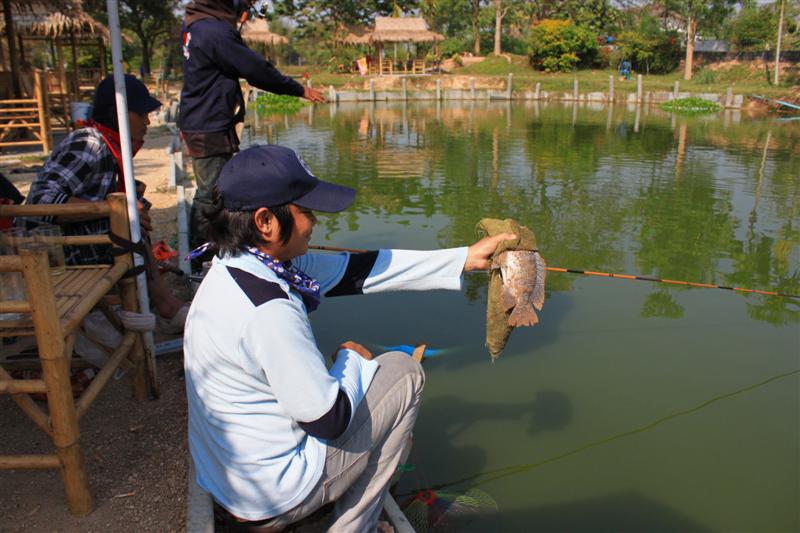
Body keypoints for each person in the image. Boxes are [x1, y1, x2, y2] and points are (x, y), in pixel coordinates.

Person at [184, 144, 513, 531]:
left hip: (231, 479)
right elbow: (330, 420)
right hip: (272, 497)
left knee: (348, 373)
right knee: (403, 373)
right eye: (306, 212)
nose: (315, 222)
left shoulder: (237, 265)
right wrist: (352, 359)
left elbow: (356, 270)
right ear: (265, 221)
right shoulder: (268, 308)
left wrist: (463, 258)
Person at [22, 75, 188, 333]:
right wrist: (116, 210)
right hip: (57, 252)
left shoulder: (112, 146)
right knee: (128, 221)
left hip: (85, 244)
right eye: (141, 114)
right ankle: (163, 308)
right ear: (117, 113)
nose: (147, 122)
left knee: (133, 217)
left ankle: (162, 305)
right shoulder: (89, 144)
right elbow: (40, 203)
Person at [179, 0, 326, 256]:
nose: (244, 16)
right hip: (208, 124)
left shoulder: (197, 26)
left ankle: (209, 249)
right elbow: (256, 69)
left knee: (210, 191)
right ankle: (202, 256)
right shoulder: (215, 32)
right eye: (244, 8)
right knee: (211, 195)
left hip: (201, 119)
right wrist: (298, 89)